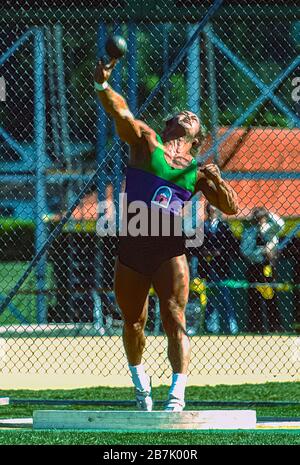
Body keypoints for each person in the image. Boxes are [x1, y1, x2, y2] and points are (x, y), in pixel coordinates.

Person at [94, 58, 238, 412]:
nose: (187, 114)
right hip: (132, 248)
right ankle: (140, 381)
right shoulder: (147, 144)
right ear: (168, 125)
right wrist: (103, 86)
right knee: (133, 322)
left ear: (198, 136)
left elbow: (232, 207)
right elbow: (123, 114)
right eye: (180, 114)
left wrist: (218, 180)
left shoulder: (197, 171)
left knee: (175, 316)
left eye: (193, 115)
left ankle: (177, 394)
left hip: (169, 250)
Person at [240, 207, 284, 333]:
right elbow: (245, 250)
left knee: (271, 297)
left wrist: (269, 213)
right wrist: (261, 251)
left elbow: (281, 224)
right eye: (257, 218)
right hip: (255, 266)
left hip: (268, 266)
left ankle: (274, 326)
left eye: (262, 217)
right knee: (254, 297)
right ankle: (255, 327)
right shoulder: (249, 232)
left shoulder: (270, 229)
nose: (260, 221)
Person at [198, 204, 239, 335]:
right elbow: (196, 246)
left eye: (214, 211)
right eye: (210, 211)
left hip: (221, 267)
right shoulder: (202, 227)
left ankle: (231, 327)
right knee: (209, 299)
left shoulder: (224, 227)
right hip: (207, 268)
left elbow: (231, 245)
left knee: (225, 298)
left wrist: (219, 251)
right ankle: (211, 327)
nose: (212, 214)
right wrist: (204, 251)